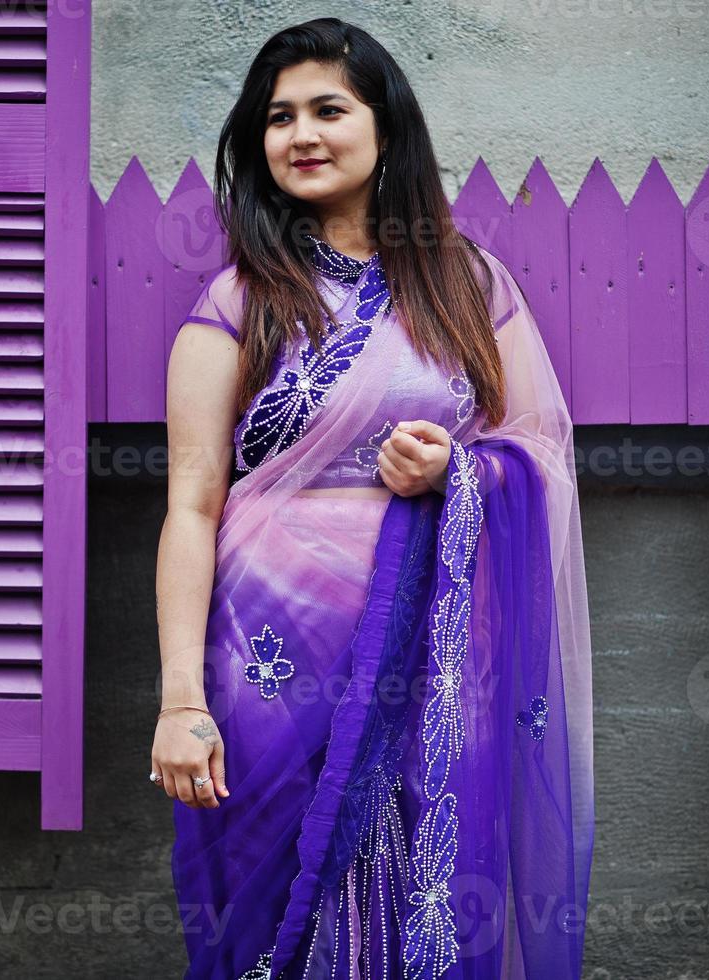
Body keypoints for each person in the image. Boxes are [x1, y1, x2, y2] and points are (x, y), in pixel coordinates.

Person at [151, 17, 593, 980]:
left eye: (327, 109)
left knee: (425, 886)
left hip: (433, 654)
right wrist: (180, 700)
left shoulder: (470, 288)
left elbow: (542, 454)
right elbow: (191, 506)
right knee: (270, 890)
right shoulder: (238, 303)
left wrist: (456, 473)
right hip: (265, 653)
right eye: (277, 118)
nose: (300, 134)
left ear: (386, 128)